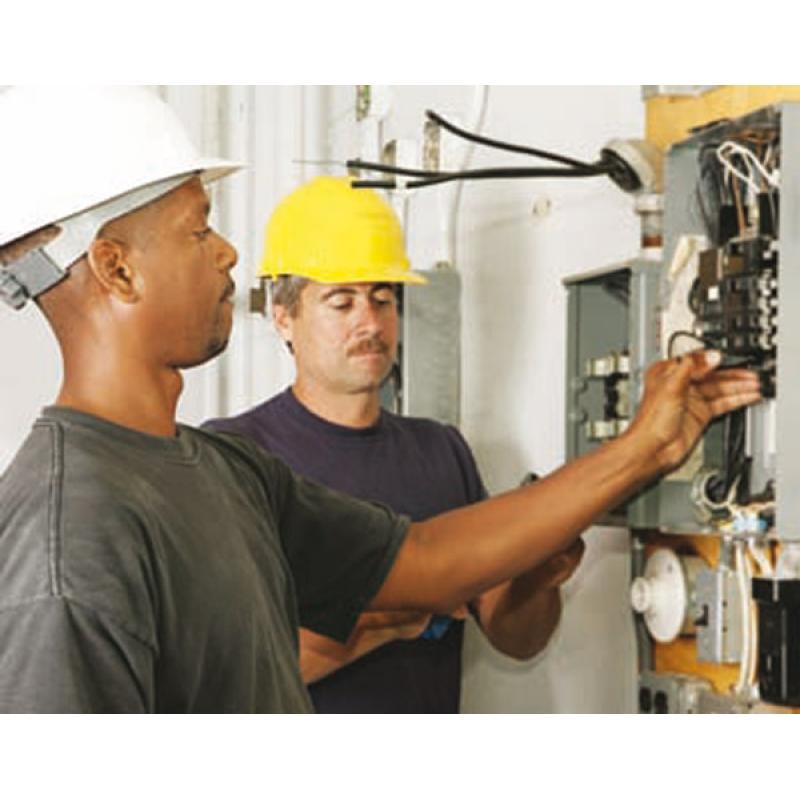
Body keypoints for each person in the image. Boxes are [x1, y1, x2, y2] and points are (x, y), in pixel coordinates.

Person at [0, 86, 761, 712]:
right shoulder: (67, 537)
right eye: (200, 230)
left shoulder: (224, 471)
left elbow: (427, 558)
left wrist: (649, 447)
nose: (228, 251)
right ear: (117, 269)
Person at [204, 176, 585, 713]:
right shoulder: (236, 455)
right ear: (284, 317)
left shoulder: (441, 452)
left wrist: (538, 577)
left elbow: (519, 640)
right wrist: (395, 616)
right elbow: (238, 664)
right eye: (342, 303)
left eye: (382, 299)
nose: (370, 322)